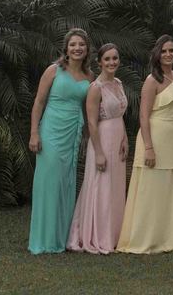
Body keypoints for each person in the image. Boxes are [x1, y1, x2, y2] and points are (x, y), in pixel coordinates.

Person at [117, 35, 173, 253]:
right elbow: (143, 116)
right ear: (157, 54)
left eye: (171, 50)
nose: (168, 54)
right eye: (164, 51)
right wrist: (148, 147)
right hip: (153, 137)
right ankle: (143, 238)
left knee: (167, 188)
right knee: (149, 189)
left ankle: (166, 238)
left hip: (171, 138)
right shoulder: (152, 81)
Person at [28, 28, 93, 254]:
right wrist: (34, 133)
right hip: (51, 131)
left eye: (81, 45)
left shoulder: (89, 77)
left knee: (66, 182)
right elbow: (38, 102)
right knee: (49, 183)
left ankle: (62, 236)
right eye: (73, 44)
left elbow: (89, 110)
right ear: (66, 48)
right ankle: (44, 239)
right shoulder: (53, 70)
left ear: (87, 49)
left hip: (72, 133)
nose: (77, 48)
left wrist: (90, 137)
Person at [67, 43, 128, 254]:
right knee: (101, 185)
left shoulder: (118, 83)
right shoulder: (95, 88)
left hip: (118, 138)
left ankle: (115, 234)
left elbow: (120, 113)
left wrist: (125, 138)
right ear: (99, 62)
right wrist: (99, 152)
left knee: (116, 187)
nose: (112, 62)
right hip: (102, 140)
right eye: (107, 59)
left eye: (115, 58)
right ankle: (98, 235)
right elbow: (92, 123)